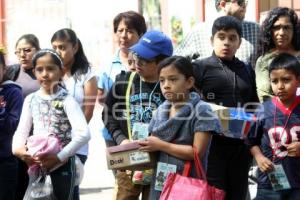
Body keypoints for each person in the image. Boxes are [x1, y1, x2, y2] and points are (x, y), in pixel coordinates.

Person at [192, 16, 259, 200]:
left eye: (232, 38)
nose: (226, 42)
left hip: (241, 147)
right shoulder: (199, 68)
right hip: (212, 146)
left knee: (238, 194)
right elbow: (189, 102)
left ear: (239, 43)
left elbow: (255, 105)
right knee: (214, 195)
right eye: (221, 37)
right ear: (211, 40)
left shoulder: (246, 69)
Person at [138, 56, 222, 199]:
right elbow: (152, 147)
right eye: (162, 80)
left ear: (189, 82)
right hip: (160, 182)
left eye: (173, 79)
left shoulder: (202, 111)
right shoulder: (159, 111)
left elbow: (196, 152)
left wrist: (161, 145)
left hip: (188, 185)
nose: (166, 85)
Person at [12, 49, 90, 200]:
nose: (45, 74)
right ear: (34, 72)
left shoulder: (67, 100)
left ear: (61, 71)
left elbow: (84, 133)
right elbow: (22, 130)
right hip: (37, 165)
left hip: (63, 166)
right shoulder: (31, 99)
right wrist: (19, 150)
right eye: (40, 69)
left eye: (50, 69)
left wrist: (59, 157)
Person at [103, 30, 173, 200]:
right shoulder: (123, 82)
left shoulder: (173, 88)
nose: (138, 62)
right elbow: (107, 114)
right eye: (137, 55)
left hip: (161, 163)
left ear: (162, 62)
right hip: (130, 162)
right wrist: (121, 139)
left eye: (145, 59)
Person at [51, 28, 97, 200]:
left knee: (70, 191)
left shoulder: (86, 74)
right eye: (54, 47)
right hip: (52, 144)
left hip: (76, 145)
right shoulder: (52, 72)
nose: (58, 52)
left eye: (62, 47)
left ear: (75, 47)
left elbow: (88, 111)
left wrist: (72, 139)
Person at [246, 53, 300, 200]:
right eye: (274, 81)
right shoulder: (263, 110)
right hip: (270, 182)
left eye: (286, 80)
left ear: (298, 80)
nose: (280, 86)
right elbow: (251, 140)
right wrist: (259, 157)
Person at [98, 10, 147, 150]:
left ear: (141, 34)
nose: (123, 36)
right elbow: (101, 99)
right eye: (120, 31)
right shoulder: (108, 65)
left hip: (145, 138)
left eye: (129, 31)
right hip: (115, 135)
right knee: (122, 173)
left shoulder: (150, 63)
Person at [5, 33, 41, 200]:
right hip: (16, 139)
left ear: (37, 50)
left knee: (36, 186)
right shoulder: (12, 72)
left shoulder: (44, 72)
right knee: (18, 187)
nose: (22, 55)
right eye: (18, 51)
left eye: (27, 50)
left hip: (38, 140)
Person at [175, 0, 260, 68]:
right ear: (223, 4)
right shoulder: (199, 31)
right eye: (240, 2)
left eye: (246, 2)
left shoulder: (255, 29)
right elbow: (176, 61)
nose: (244, 5)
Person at [255, 7, 300, 102]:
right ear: (269, 31)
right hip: (275, 113)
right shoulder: (263, 61)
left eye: (286, 27)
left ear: (294, 30)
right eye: (276, 28)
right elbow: (264, 96)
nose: (281, 33)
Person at [0, 51, 23, 200]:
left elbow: (12, 125)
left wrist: (1, 110)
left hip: (5, 160)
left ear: (4, 69)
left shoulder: (13, 92)